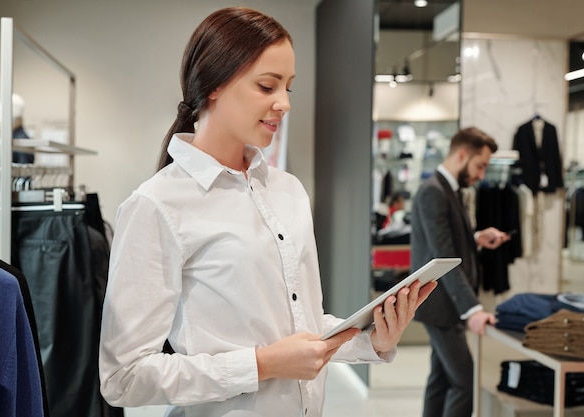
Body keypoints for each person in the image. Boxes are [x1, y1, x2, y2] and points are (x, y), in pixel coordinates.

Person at [98, 7, 436, 417]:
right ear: (214, 84)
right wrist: (262, 365)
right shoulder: (156, 205)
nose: (284, 104)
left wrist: (376, 340)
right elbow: (123, 378)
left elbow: (301, 328)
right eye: (267, 86)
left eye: (288, 88)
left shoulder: (288, 191)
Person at [410, 127, 511, 417]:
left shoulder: (447, 189)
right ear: (463, 154)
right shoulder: (434, 192)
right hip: (442, 305)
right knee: (466, 382)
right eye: (480, 166)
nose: (481, 175)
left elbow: (445, 243)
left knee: (441, 380)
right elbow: (442, 255)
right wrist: (473, 309)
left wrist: (476, 237)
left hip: (444, 305)